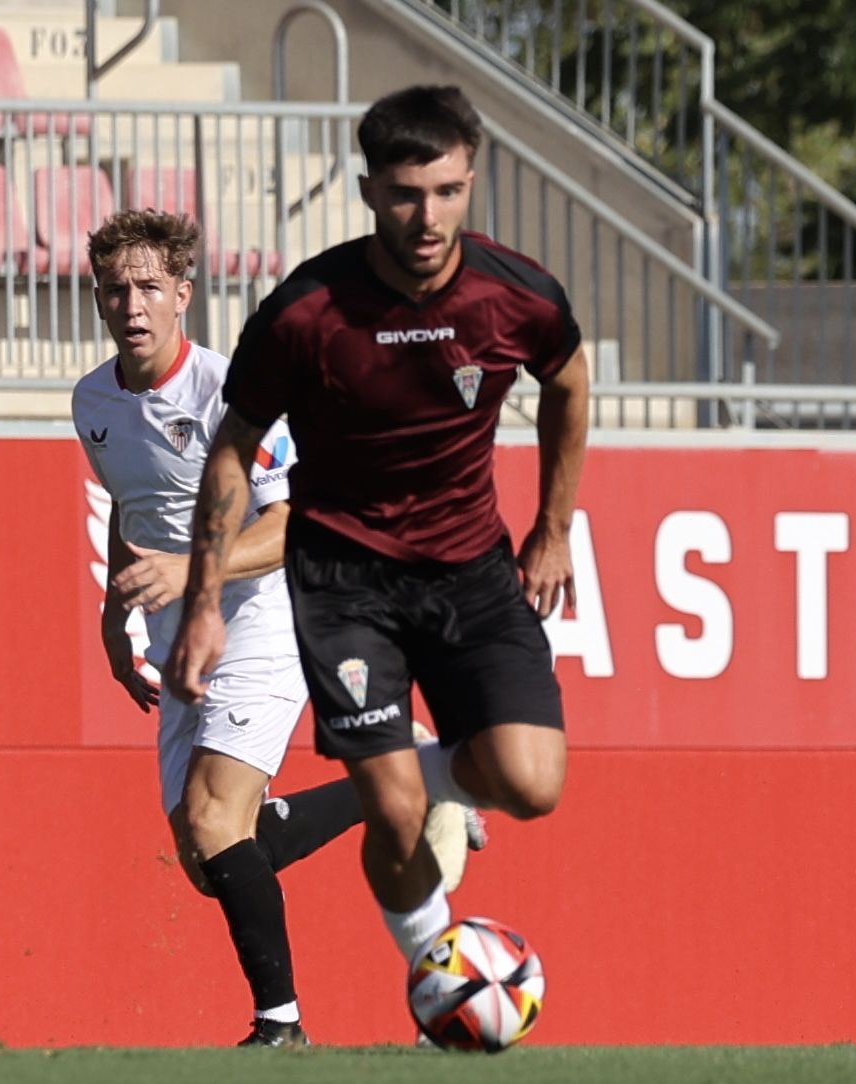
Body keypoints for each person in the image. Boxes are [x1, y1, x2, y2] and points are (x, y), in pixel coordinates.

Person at [165, 85, 588, 970]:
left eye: (445, 191)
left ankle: (419, 767)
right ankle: (439, 972)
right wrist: (203, 604)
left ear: (470, 180)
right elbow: (233, 452)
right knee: (393, 817)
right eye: (404, 193)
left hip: (471, 573)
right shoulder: (305, 313)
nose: (426, 215)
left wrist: (553, 527)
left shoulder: (516, 296)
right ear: (368, 191)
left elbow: (570, 380)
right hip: (345, 586)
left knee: (531, 784)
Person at [71, 209, 478, 1048]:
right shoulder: (92, 400)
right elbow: (130, 506)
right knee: (206, 853)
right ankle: (411, 777)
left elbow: (294, 524)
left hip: (266, 614)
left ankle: (280, 1028)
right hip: (179, 632)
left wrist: (191, 571)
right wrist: (117, 620)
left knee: (218, 821)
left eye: (149, 286)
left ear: (183, 293)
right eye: (115, 290)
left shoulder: (232, 393)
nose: (132, 305)